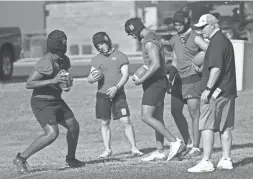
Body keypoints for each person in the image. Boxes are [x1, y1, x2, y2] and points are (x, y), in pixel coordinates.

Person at [13, 30, 83, 174]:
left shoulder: (65, 60)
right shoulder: (46, 61)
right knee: (52, 133)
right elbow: (29, 83)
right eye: (63, 41)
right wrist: (54, 80)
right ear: (58, 44)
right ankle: (21, 158)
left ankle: (71, 159)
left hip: (57, 100)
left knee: (74, 126)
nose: (66, 43)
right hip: (41, 102)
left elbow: (61, 82)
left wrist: (66, 85)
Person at [124, 17, 183, 162]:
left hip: (155, 83)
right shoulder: (153, 37)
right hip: (157, 82)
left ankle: (174, 141)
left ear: (135, 30)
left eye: (131, 34)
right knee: (157, 117)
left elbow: (156, 64)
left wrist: (141, 79)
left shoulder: (149, 41)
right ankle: (159, 150)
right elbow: (152, 63)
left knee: (146, 116)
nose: (132, 37)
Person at [188, 14, 237, 172]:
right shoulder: (224, 41)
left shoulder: (216, 42)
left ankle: (206, 161)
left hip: (216, 91)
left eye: (203, 27)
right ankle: (226, 159)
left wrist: (208, 90)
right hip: (227, 90)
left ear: (213, 26)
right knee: (225, 127)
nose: (201, 31)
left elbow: (216, 69)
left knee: (206, 126)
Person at [87, 31, 143, 158]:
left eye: (101, 44)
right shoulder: (96, 59)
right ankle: (107, 149)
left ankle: (134, 148)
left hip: (118, 94)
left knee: (126, 121)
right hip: (102, 95)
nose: (99, 47)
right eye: (97, 45)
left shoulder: (121, 56)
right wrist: (92, 77)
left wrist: (116, 88)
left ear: (107, 41)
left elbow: (125, 76)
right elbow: (89, 79)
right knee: (104, 123)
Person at [166, 11, 209, 158]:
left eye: (180, 24)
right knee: (175, 111)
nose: (177, 27)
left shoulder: (195, 37)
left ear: (186, 23)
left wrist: (201, 68)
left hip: (192, 78)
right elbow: (175, 59)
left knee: (194, 113)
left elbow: (209, 52)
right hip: (178, 79)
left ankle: (196, 147)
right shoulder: (173, 39)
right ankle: (188, 143)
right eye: (175, 25)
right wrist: (170, 79)